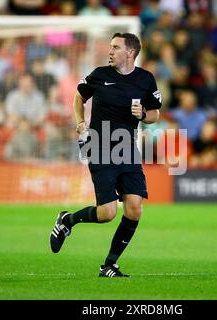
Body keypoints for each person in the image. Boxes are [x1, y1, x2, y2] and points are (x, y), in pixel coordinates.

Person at [49, 33, 162, 277]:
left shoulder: (145, 79)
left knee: (134, 209)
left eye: (116, 47)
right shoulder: (99, 75)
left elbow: (154, 114)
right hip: (99, 145)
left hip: (127, 148)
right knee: (107, 213)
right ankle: (67, 220)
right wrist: (80, 123)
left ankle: (109, 265)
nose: (110, 51)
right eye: (110, 47)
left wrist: (142, 114)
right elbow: (79, 97)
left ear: (130, 53)